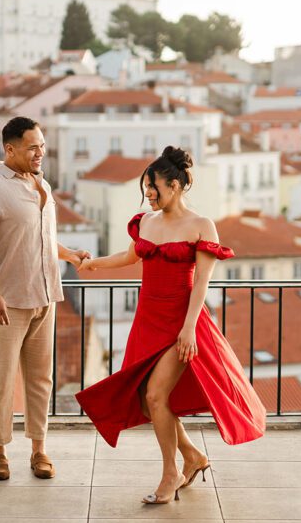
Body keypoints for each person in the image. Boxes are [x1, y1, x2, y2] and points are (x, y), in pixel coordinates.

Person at [76, 146, 266, 504]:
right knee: (149, 403)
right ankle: (192, 456)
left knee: (155, 395)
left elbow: (203, 283)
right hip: (148, 320)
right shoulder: (146, 222)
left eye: (154, 188)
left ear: (175, 185)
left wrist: (189, 328)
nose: (148, 194)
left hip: (182, 321)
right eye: (145, 188)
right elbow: (128, 256)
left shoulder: (201, 226)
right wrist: (93, 264)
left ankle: (170, 474)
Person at [0, 116, 91, 481]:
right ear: (10, 149)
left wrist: (69, 255)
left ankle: (39, 449)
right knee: (2, 380)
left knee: (40, 380)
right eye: (33, 146)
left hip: (46, 296)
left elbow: (42, 239)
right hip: (8, 301)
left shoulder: (42, 186)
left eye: (43, 146)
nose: (41, 153)